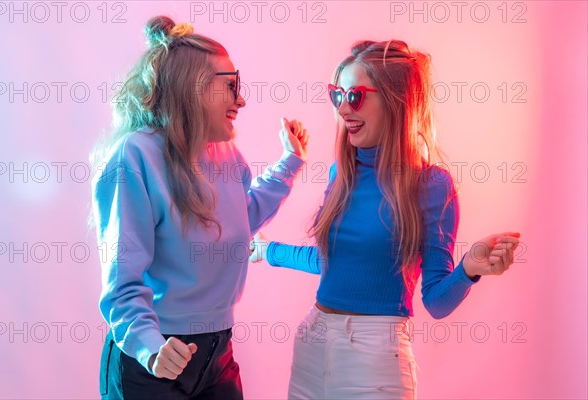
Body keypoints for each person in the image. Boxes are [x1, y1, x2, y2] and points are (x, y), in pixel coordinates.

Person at [249, 39, 521, 400]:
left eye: (356, 96)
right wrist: (267, 250)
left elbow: (437, 302)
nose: (343, 109)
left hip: (376, 358)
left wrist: (469, 269)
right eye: (337, 95)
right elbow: (335, 262)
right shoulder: (340, 174)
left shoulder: (431, 185)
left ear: (395, 102)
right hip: (313, 344)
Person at [90, 15, 308, 399]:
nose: (240, 99)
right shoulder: (134, 157)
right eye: (230, 85)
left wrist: (289, 162)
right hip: (153, 357)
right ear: (193, 89)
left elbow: (240, 219)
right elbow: (122, 283)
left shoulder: (225, 153)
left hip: (217, 351)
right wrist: (150, 346)